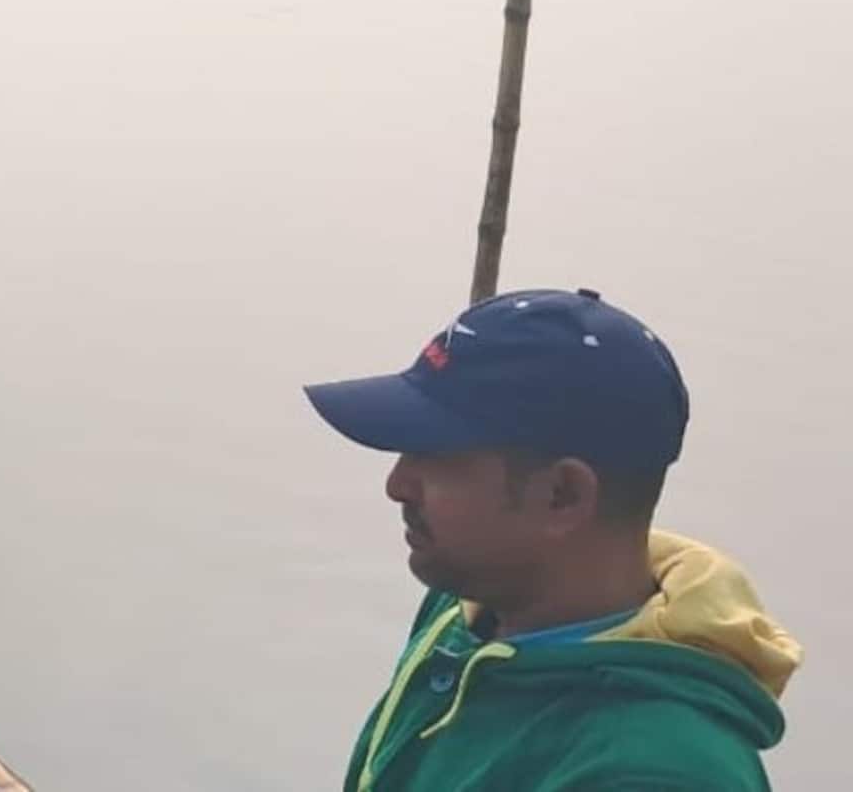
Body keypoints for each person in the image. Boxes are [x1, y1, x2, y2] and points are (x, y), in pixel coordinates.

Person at [304, 287, 802, 791]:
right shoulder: (466, 607)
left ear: (563, 495)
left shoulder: (656, 773)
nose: (396, 485)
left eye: (438, 457)